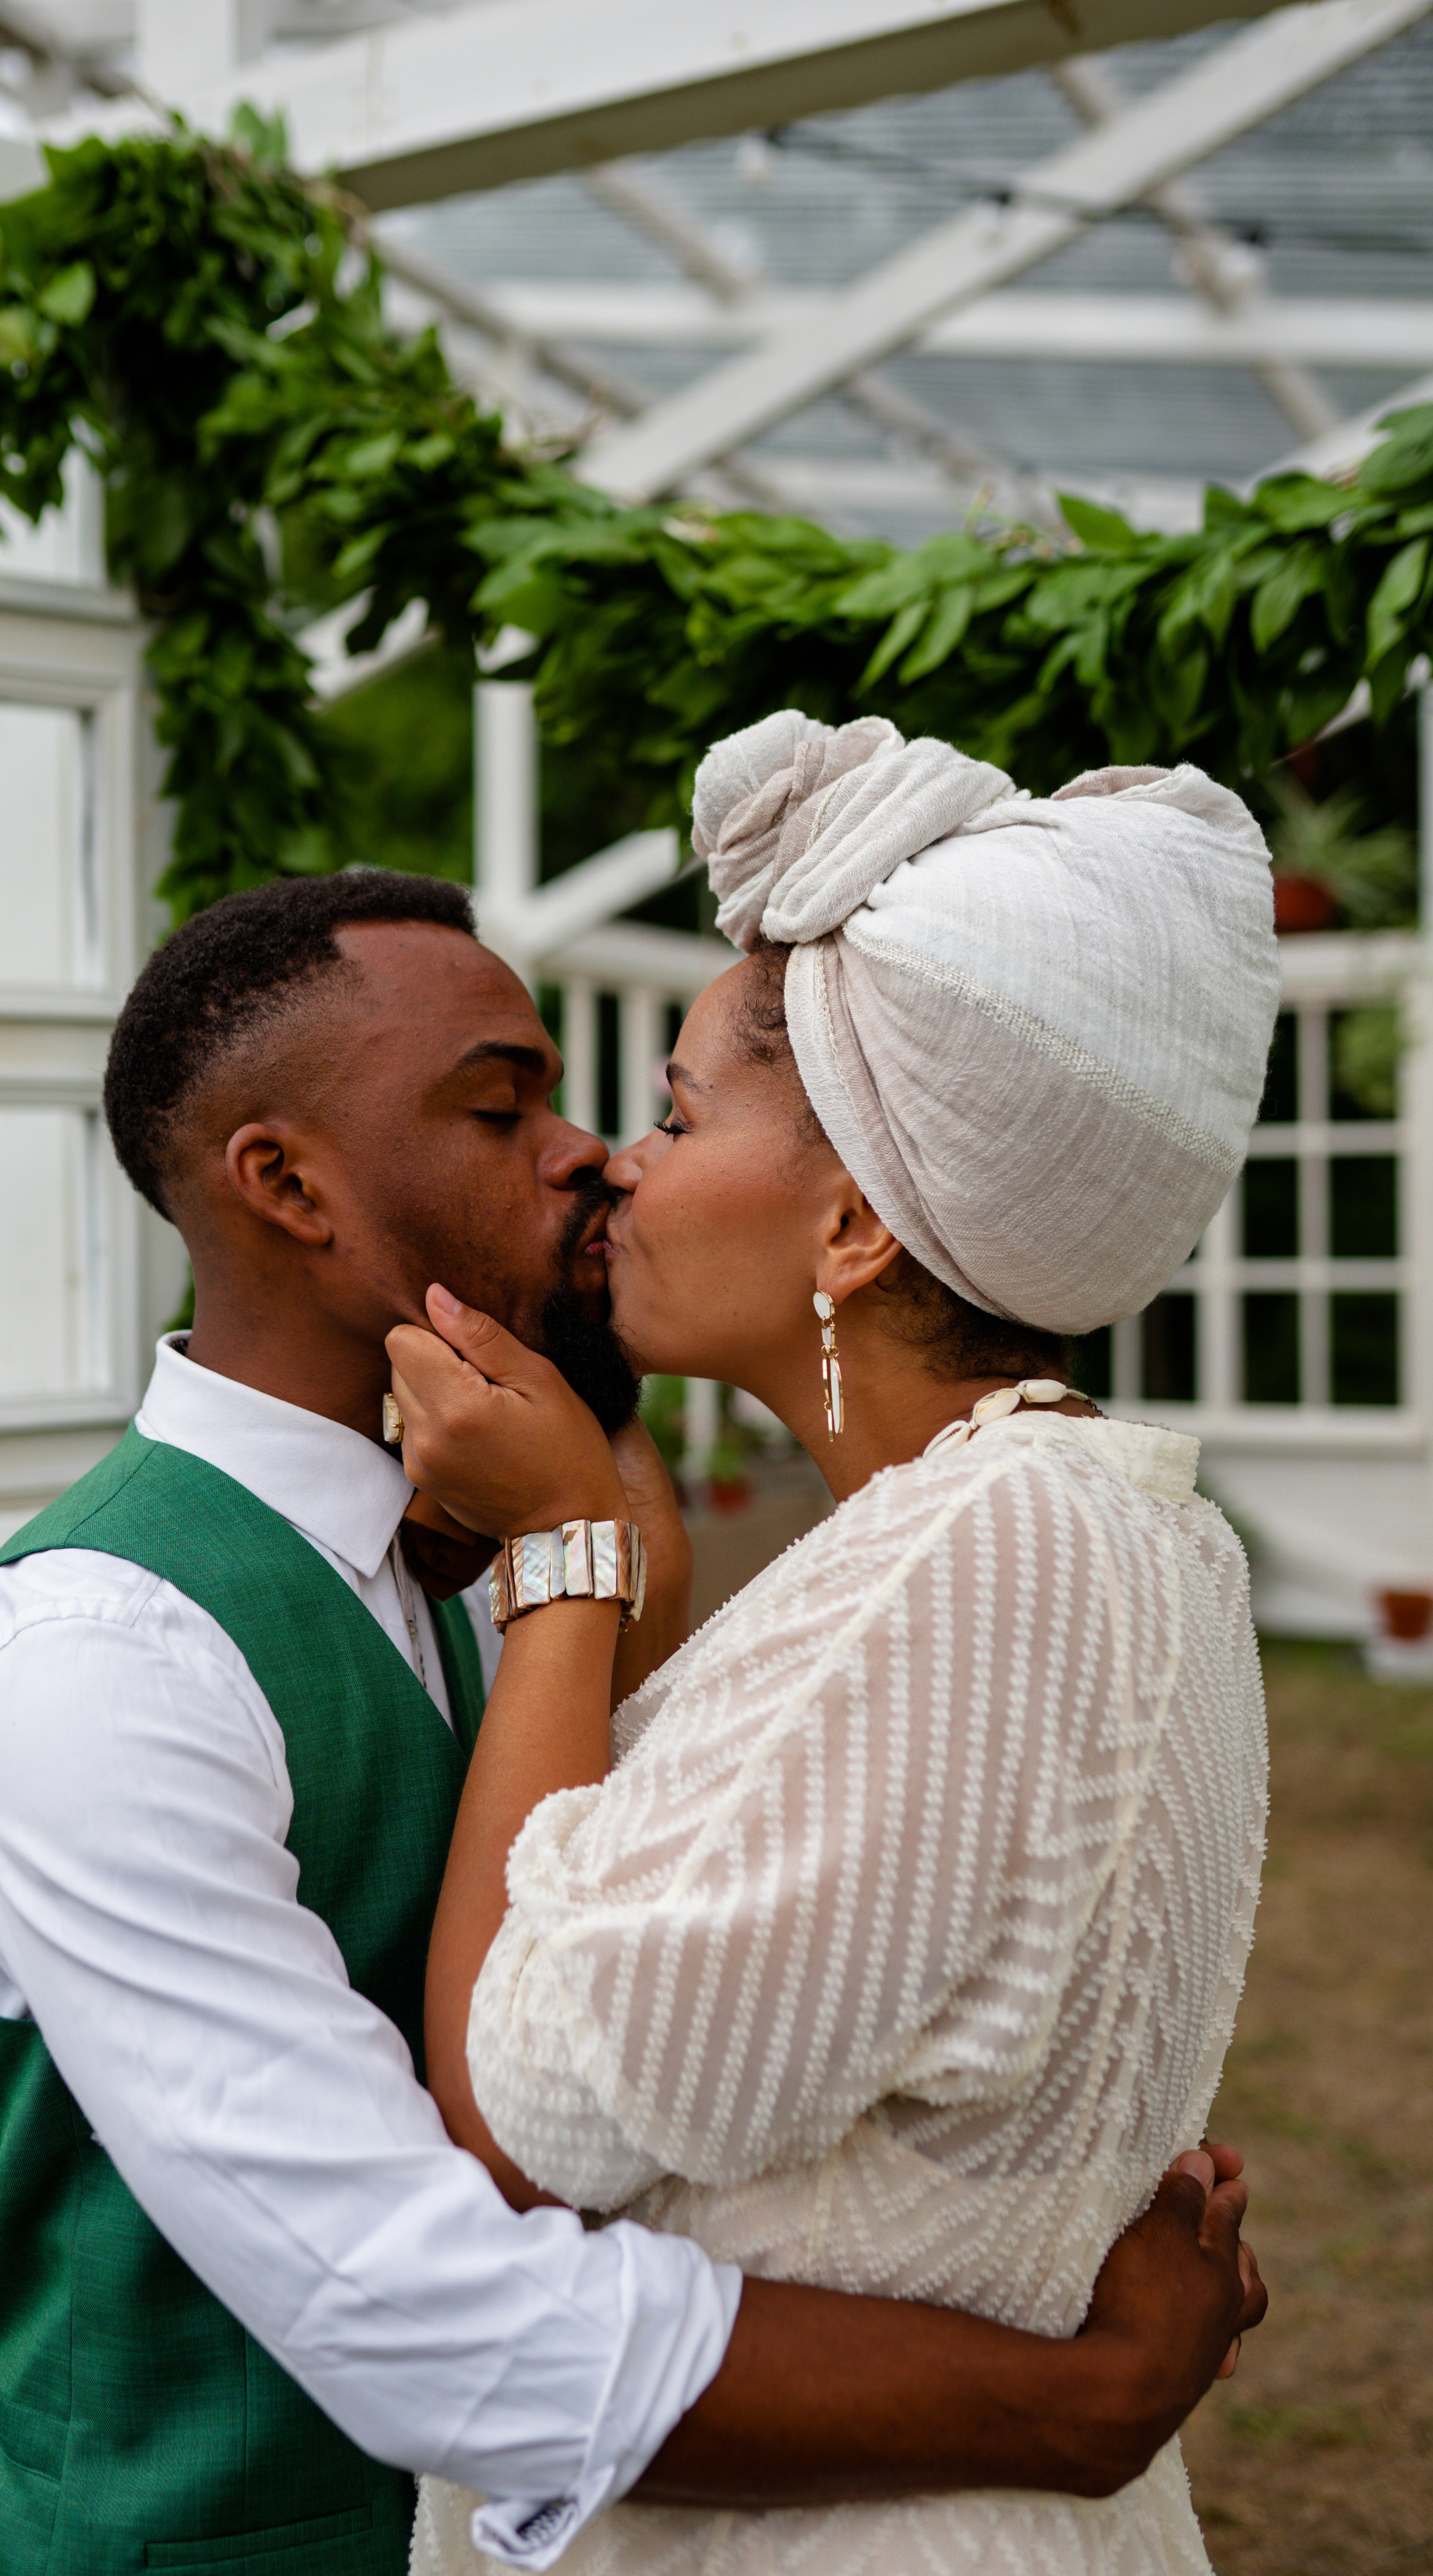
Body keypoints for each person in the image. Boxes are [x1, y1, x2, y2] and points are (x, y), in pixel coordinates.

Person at [0, 861, 1263, 2576]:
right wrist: (1066, 2402)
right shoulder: (93, 1658)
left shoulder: (500, 1552)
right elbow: (412, 2308)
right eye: (498, 1105)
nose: (589, 1152)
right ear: (287, 1182)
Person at [392, 716, 1280, 2576]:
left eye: (679, 1116)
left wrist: (566, 1559)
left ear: (860, 1222)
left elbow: (523, 2118)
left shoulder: (1000, 1553)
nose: (619, 1169)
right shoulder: (1066, 1529)